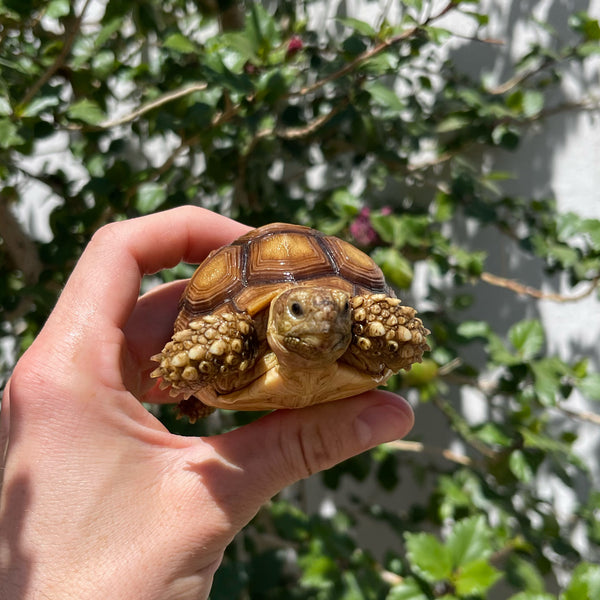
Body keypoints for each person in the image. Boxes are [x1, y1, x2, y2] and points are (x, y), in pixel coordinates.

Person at [0, 206, 414, 600]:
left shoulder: (358, 328)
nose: (323, 321)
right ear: (276, 315)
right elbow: (185, 362)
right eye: (298, 310)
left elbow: (393, 328)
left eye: (342, 309)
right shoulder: (241, 334)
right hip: (245, 347)